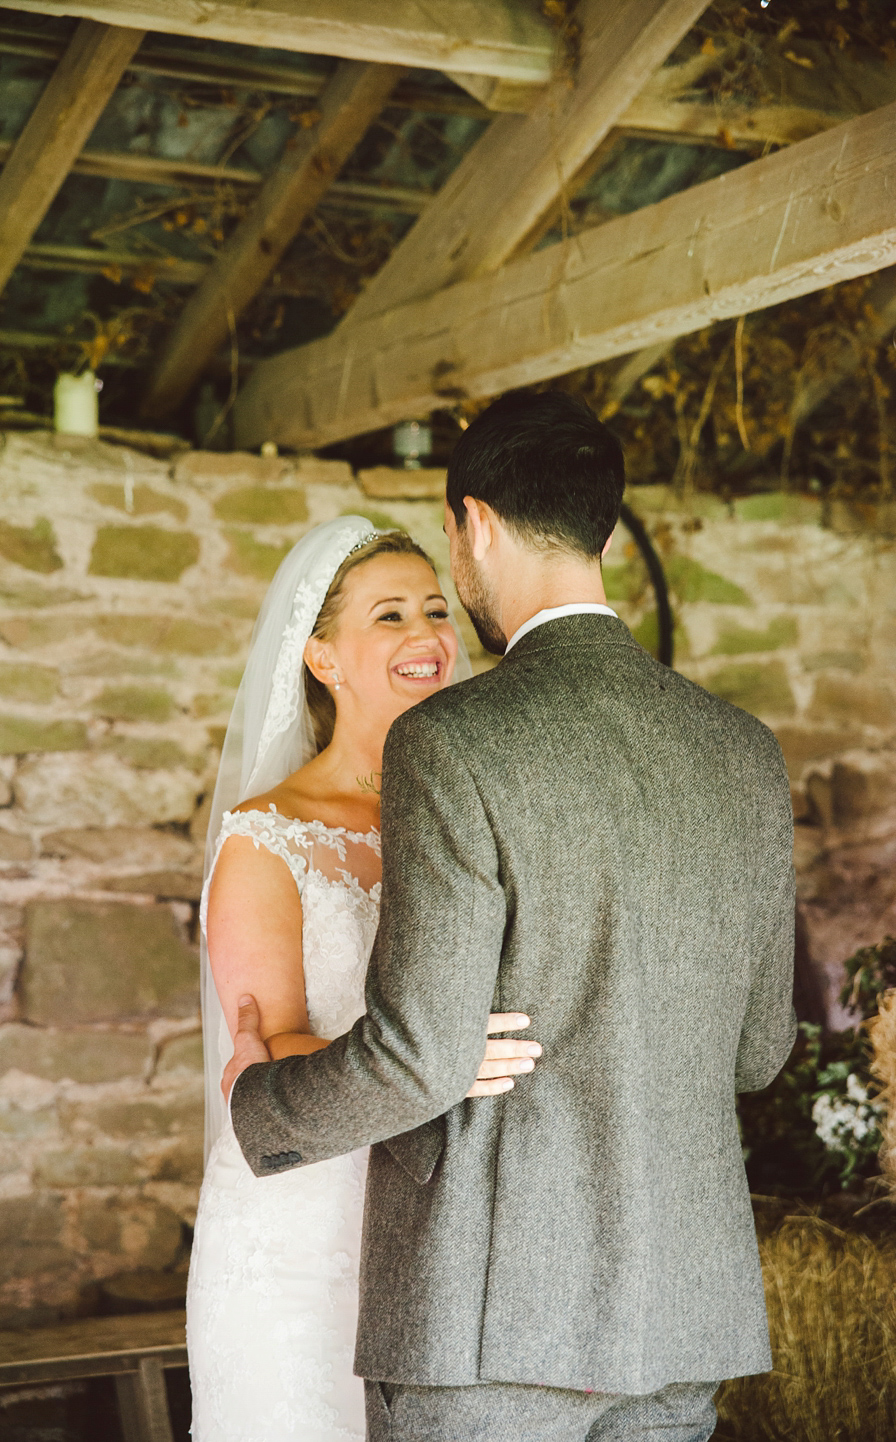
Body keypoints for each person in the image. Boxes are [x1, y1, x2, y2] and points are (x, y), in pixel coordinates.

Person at [223, 390, 798, 1442]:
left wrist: (262, 1101)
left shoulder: (453, 741)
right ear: (607, 532)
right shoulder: (744, 750)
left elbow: (422, 1057)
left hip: (487, 1322)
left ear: (473, 525)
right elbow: (760, 1050)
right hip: (682, 1316)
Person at [187, 520, 540, 1441]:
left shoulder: (479, 808)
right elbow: (269, 1057)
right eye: (389, 615)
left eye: (435, 608)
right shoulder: (270, 837)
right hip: (305, 1224)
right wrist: (443, 1064)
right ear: (322, 658)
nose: (427, 635)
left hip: (448, 1216)